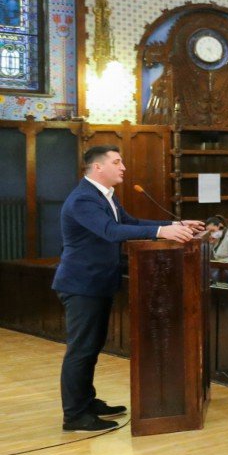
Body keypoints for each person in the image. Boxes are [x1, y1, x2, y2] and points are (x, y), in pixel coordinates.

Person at [53, 145, 197, 432]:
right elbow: (111, 232)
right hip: (82, 284)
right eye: (117, 162)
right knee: (81, 350)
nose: (124, 168)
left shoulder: (104, 196)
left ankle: (87, 402)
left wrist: (174, 223)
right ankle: (75, 415)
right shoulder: (83, 199)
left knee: (91, 348)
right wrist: (161, 232)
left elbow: (130, 223)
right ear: (98, 167)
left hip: (98, 283)